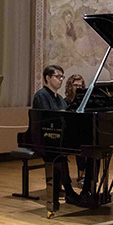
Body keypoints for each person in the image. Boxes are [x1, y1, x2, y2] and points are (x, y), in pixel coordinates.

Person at [32, 65, 93, 206]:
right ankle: (68, 192)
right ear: (47, 78)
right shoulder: (41, 96)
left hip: (59, 138)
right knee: (58, 155)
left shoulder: (60, 98)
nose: (60, 79)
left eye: (62, 77)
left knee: (90, 151)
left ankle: (87, 189)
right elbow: (46, 122)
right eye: (57, 76)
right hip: (45, 139)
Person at [64, 74, 94, 184]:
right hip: (69, 132)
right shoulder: (66, 101)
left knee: (90, 144)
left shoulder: (85, 101)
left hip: (81, 130)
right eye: (75, 85)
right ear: (70, 86)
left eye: (81, 86)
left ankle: (89, 175)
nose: (78, 88)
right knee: (80, 144)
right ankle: (82, 174)